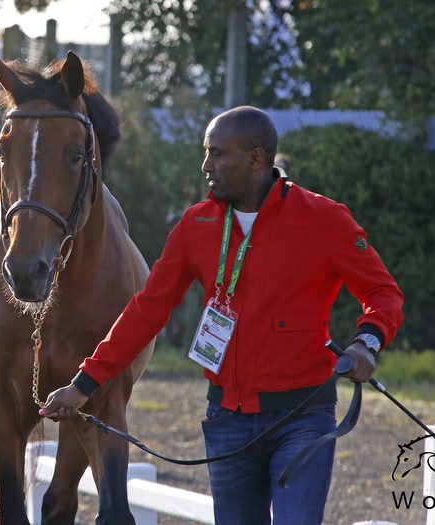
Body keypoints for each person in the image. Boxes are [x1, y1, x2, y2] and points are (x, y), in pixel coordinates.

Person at [39, 106, 404, 524]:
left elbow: (382, 291)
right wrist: (84, 383)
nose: (205, 165)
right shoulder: (195, 225)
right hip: (226, 420)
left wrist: (367, 341)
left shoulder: (325, 219)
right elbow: (146, 311)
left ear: (256, 158)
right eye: (205, 152)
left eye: (217, 153)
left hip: (303, 419)